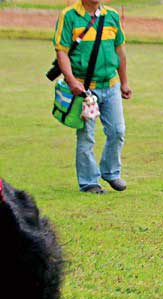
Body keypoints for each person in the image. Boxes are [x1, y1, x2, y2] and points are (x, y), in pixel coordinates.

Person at [53, 0, 132, 193]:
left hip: (111, 85)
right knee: (86, 136)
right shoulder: (69, 15)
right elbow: (61, 52)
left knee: (117, 131)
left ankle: (111, 173)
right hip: (85, 89)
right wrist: (72, 81)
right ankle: (89, 182)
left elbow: (120, 52)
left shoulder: (111, 16)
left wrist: (124, 82)